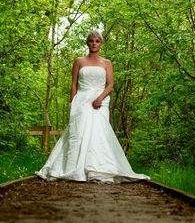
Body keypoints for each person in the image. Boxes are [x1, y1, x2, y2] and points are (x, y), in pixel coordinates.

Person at [35, 31, 150, 183]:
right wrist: (72, 104)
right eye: (91, 41)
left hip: (99, 102)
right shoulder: (79, 61)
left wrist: (100, 98)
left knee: (99, 132)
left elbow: (110, 85)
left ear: (101, 43)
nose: (94, 43)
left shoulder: (106, 63)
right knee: (78, 132)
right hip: (81, 101)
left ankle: (98, 168)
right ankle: (73, 167)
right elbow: (74, 84)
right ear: (87, 43)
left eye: (97, 41)